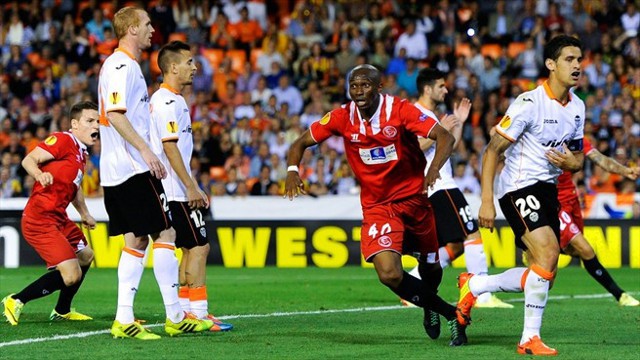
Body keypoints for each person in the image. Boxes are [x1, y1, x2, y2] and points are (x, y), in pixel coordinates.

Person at [285, 64, 468, 346]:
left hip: (414, 201)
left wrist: (433, 169)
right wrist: (292, 170)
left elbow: (444, 137)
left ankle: (432, 305)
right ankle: (450, 313)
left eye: (365, 85)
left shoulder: (401, 110)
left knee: (431, 268)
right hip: (378, 206)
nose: (358, 91)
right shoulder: (341, 117)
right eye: (354, 85)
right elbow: (300, 142)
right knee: (389, 273)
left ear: (379, 87)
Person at [459, 35, 586, 356]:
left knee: (545, 274)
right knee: (548, 254)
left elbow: (577, 158)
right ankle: (529, 338)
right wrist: (486, 200)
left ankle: (475, 286)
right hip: (517, 187)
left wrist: (573, 163)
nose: (577, 65)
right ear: (550, 65)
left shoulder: (578, 107)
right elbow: (492, 151)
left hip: (548, 190)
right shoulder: (528, 103)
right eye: (569, 59)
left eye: (579, 59)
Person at [98, 7, 212, 340]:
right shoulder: (122, 65)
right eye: (147, 24)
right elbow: (117, 116)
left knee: (136, 240)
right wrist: (146, 151)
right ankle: (175, 315)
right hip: (133, 167)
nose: (151, 29)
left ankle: (124, 318)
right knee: (166, 234)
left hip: (118, 168)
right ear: (132, 28)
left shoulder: (121, 66)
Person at [403, 68, 512, 339]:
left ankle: (414, 278)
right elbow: (414, 149)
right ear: (427, 89)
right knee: (472, 234)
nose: (445, 90)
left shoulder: (433, 117)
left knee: (451, 245)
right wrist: (440, 132)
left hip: (438, 186)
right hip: (440, 186)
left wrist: (457, 124)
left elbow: (448, 146)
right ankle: (482, 292)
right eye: (441, 86)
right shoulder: (415, 114)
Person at [149, 40, 233, 332]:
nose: (195, 67)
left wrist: (193, 183)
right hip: (175, 190)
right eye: (189, 63)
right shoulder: (168, 102)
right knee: (199, 247)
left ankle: (187, 312)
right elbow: (170, 148)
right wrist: (190, 187)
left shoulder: (170, 100)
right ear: (172, 67)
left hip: (174, 187)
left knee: (188, 248)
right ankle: (198, 313)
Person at [2, 101, 99, 325]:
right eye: (90, 121)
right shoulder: (64, 140)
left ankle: (62, 310)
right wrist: (38, 174)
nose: (96, 126)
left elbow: (75, 186)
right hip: (40, 218)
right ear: (75, 124)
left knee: (86, 256)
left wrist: (84, 213)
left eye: (97, 121)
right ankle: (16, 300)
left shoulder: (80, 154)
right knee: (71, 274)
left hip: (58, 217)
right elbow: (29, 159)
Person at [556, 137, 639, 306]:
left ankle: (534, 245)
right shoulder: (545, 133)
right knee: (586, 250)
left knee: (574, 251)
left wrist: (624, 171)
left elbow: (600, 159)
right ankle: (620, 295)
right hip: (555, 202)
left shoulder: (576, 136)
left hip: (572, 199)